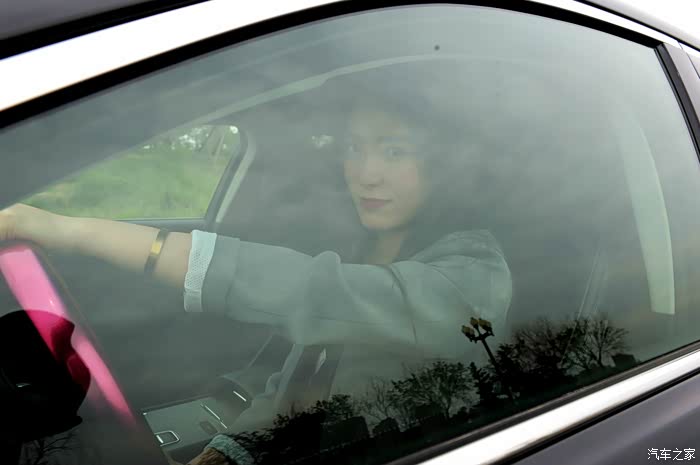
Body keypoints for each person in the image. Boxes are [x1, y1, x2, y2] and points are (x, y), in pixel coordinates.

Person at [0, 67, 512, 464]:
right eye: (354, 148)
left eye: (394, 151)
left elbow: (309, 293)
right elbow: (298, 385)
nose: (365, 172)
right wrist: (227, 452)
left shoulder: (473, 278)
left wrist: (68, 230)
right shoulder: (368, 246)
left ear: (446, 165)